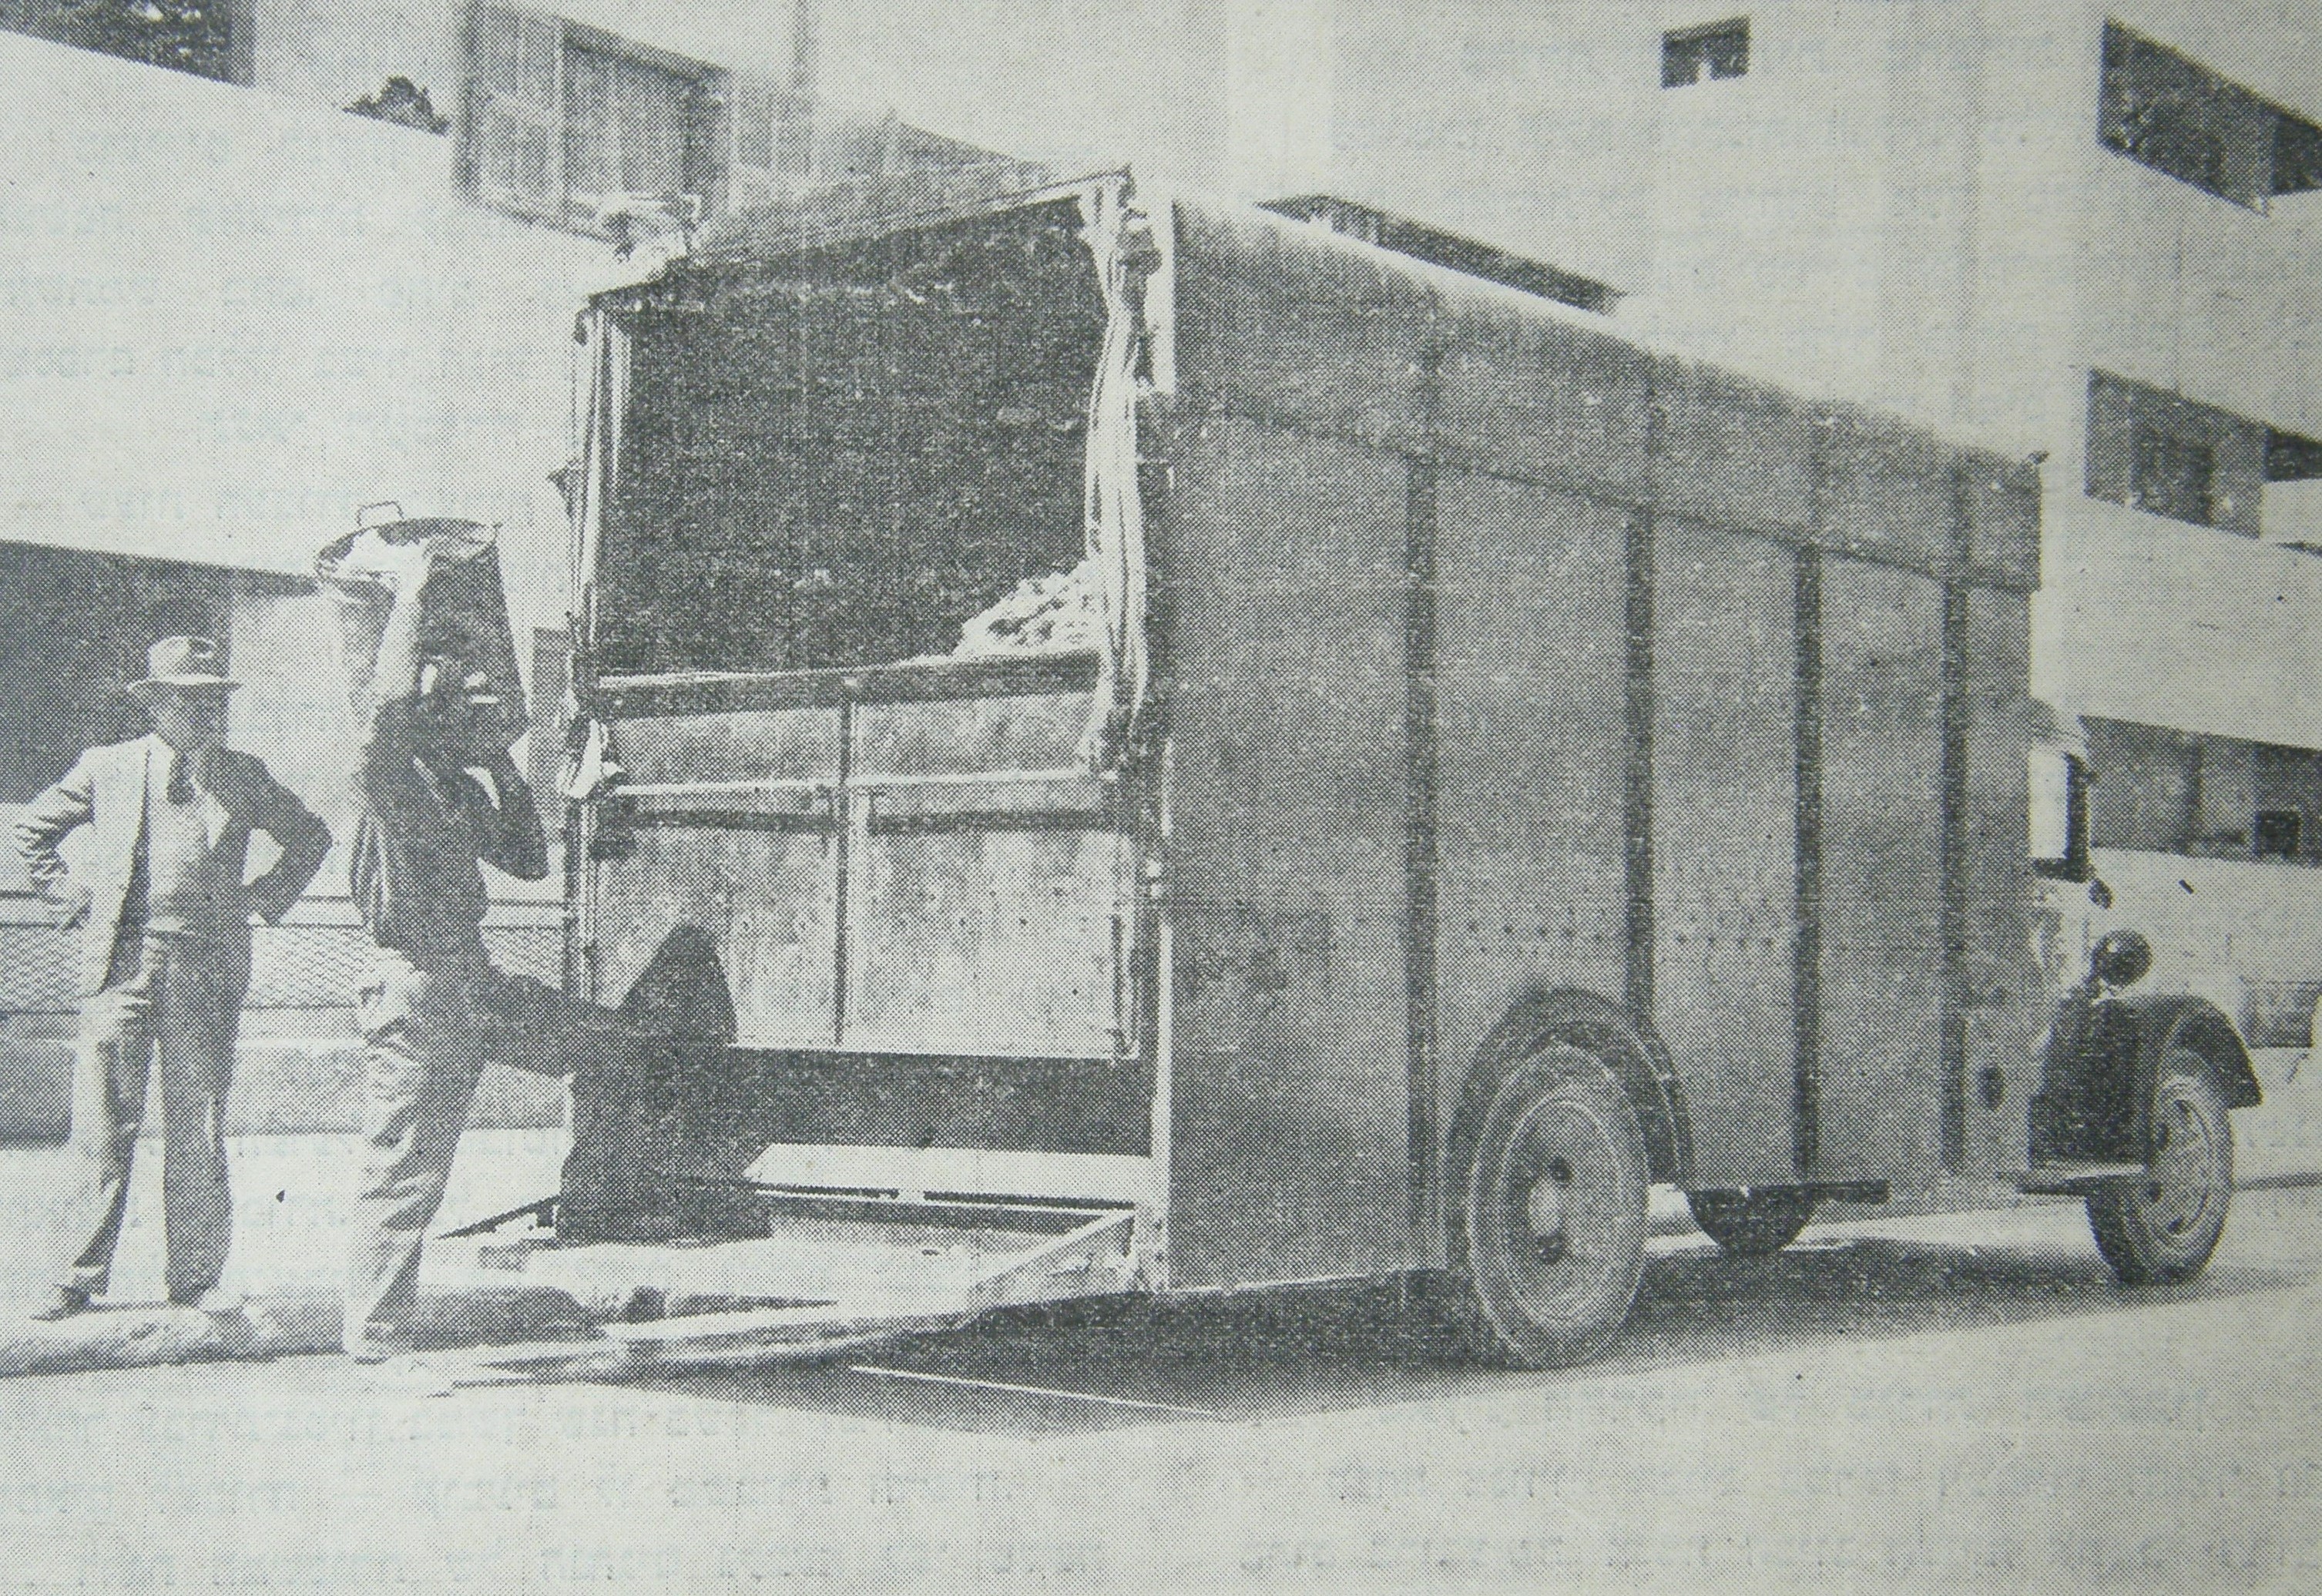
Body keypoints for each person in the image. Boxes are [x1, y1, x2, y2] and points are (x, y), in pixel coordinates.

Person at [339, 535, 656, 1380]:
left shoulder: (450, 783)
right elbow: (387, 709)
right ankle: (376, 1340)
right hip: (416, 986)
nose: (473, 707)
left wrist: (504, 769)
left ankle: (614, 1225)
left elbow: (527, 858)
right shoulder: (392, 776)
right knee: (406, 1169)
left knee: (614, 1043)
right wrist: (410, 593)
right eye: (458, 701)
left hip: (469, 980)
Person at [15, 636, 332, 1321]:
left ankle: (195, 1278)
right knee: (102, 1124)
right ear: (156, 705)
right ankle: (72, 1276)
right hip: (122, 965)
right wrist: (72, 897)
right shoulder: (108, 768)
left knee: (199, 1124)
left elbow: (311, 835)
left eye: (214, 699)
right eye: (189, 699)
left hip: (206, 970)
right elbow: (30, 832)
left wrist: (265, 896)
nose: (205, 712)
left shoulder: (243, 775)